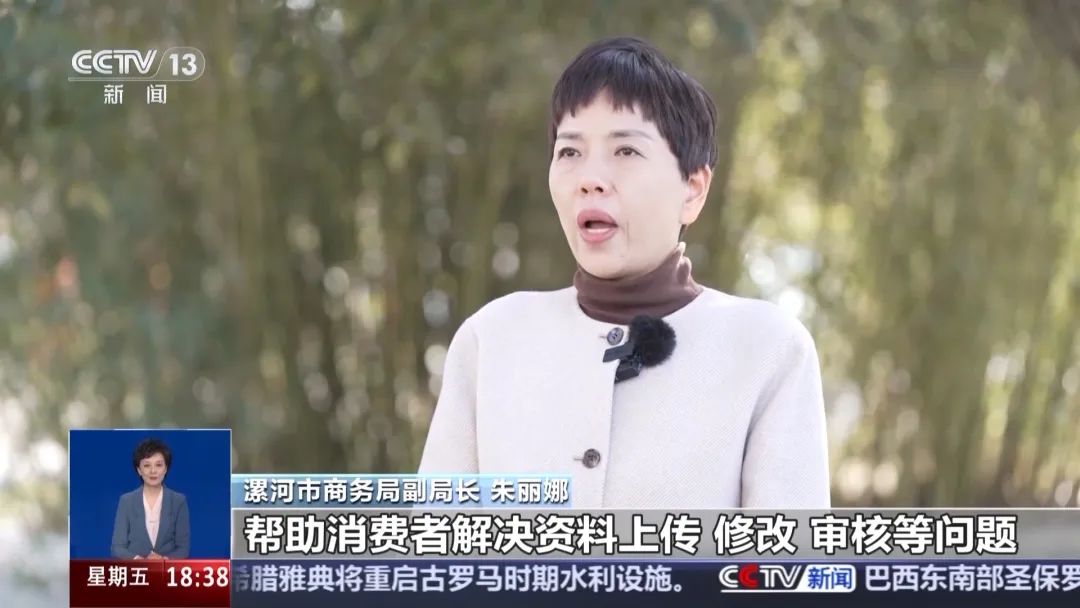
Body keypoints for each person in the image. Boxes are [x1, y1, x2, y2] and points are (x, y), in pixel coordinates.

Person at [418, 37, 830, 508]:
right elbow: (436, 546)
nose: (590, 179)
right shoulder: (491, 340)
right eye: (569, 152)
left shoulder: (767, 349)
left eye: (626, 151)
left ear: (693, 188)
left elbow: (789, 553)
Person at [111, 438, 191, 559]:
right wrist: (139, 560)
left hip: (167, 569)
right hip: (136, 570)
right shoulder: (126, 501)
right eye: (147, 465)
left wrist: (163, 560)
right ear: (139, 470)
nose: (153, 471)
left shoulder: (178, 501)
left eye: (158, 465)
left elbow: (183, 548)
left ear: (166, 468)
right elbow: (117, 547)